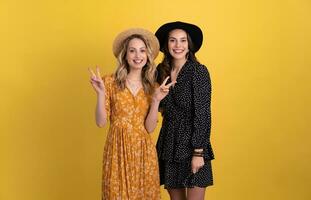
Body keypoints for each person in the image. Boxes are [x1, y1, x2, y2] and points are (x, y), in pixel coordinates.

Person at [88, 28, 162, 200]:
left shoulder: (153, 87)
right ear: (125, 55)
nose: (138, 55)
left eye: (142, 50)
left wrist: (157, 100)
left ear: (148, 55)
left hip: (144, 152)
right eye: (132, 50)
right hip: (117, 150)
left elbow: (150, 128)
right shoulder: (109, 82)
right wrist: (100, 94)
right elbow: (101, 122)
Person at [145, 21, 214, 200]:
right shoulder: (160, 72)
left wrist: (198, 152)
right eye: (173, 41)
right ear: (166, 45)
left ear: (189, 45)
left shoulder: (198, 71)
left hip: (193, 144)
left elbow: (203, 113)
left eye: (183, 41)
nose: (178, 46)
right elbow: (155, 106)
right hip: (169, 143)